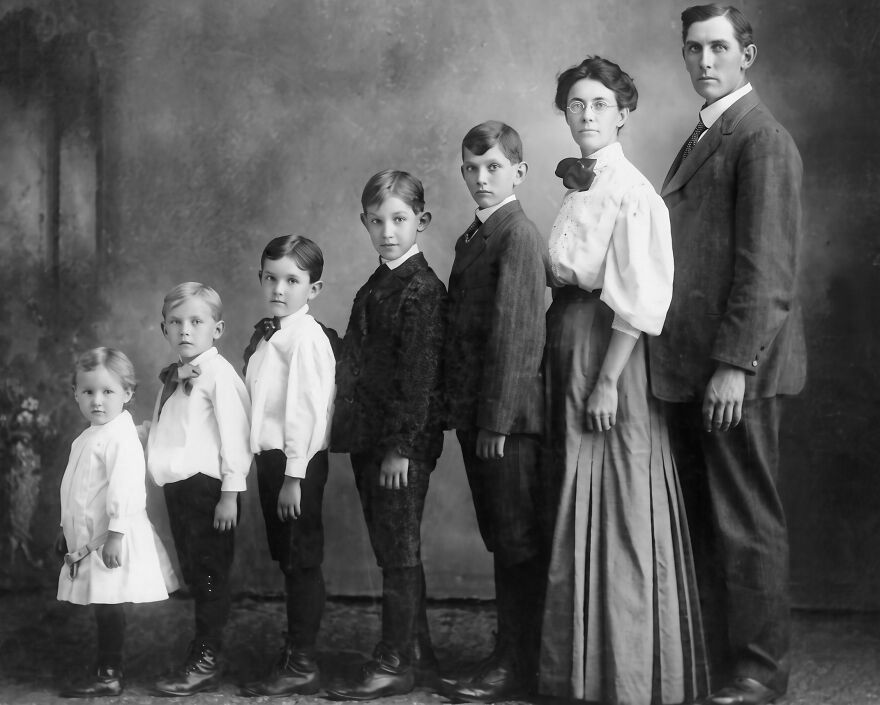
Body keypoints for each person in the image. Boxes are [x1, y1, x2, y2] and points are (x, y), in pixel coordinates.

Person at [538, 57, 709, 705]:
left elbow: (637, 298)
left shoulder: (632, 192)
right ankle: (576, 668)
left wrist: (607, 381)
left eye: (599, 104)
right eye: (576, 104)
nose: (586, 115)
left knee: (613, 502)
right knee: (574, 497)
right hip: (571, 341)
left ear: (623, 113)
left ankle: (626, 675)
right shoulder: (583, 184)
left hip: (610, 349)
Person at [648, 6, 805, 705]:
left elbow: (766, 270)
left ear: (748, 54)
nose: (704, 61)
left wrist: (734, 365)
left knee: (746, 520)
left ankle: (760, 672)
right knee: (715, 518)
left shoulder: (760, 139)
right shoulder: (708, 133)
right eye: (693, 49)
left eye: (718, 47)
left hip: (737, 368)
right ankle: (723, 665)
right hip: (695, 365)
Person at [325, 170, 446, 700]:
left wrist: (401, 447)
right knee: (391, 547)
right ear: (364, 223)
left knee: (399, 550)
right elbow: (357, 358)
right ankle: (417, 650)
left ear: (421, 221)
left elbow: (418, 378)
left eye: (399, 220)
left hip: (401, 446)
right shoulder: (376, 284)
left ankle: (396, 657)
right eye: (377, 221)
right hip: (369, 441)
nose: (388, 231)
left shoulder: (422, 290)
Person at [441, 121, 547, 702]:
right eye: (471, 169)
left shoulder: (517, 236)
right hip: (482, 415)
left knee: (516, 541)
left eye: (494, 168)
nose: (481, 179)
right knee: (503, 538)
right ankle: (509, 653)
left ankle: (518, 663)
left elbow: (517, 337)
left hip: (508, 423)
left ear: (519, 173)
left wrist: (497, 422)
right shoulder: (476, 235)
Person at [240, 235, 336, 698]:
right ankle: (294, 650)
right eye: (271, 278)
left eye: (292, 280)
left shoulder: (306, 340)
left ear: (312, 289)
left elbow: (307, 412)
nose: (279, 288)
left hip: (296, 464)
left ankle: (302, 660)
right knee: (289, 558)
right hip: (272, 461)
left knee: (301, 561)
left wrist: (294, 477)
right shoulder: (269, 335)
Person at [145, 282, 252, 696]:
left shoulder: (219, 377)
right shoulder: (175, 376)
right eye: (176, 322)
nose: (185, 330)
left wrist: (230, 493)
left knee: (209, 574)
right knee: (196, 572)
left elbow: (235, 436)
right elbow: (177, 432)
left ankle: (207, 656)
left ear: (217, 328)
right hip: (180, 491)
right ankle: (204, 647)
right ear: (164, 328)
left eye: (196, 321)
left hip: (209, 490)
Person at [56, 347, 178, 698]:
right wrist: (64, 530)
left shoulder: (120, 437)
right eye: (88, 391)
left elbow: (125, 489)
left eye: (108, 392)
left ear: (127, 394)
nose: (97, 401)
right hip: (88, 536)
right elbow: (75, 490)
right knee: (102, 603)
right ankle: (106, 667)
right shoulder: (87, 437)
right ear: (75, 393)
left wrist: (115, 535)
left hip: (112, 536)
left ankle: (109, 672)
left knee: (109, 604)